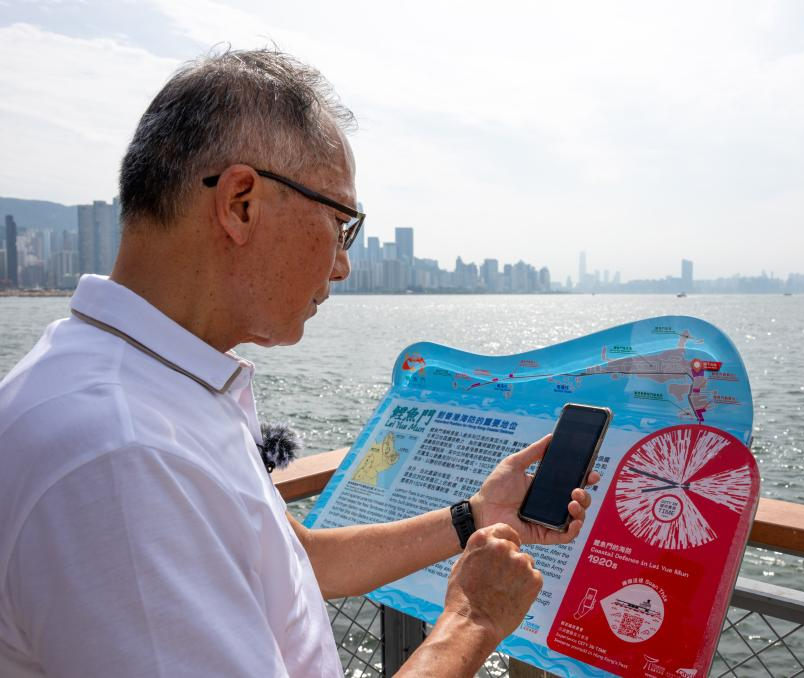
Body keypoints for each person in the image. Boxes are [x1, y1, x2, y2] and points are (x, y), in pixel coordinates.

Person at [0, 49, 597, 677]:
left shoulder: (157, 383)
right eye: (341, 225)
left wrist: (475, 517)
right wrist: (471, 621)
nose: (341, 265)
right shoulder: (123, 455)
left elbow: (297, 558)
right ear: (241, 203)